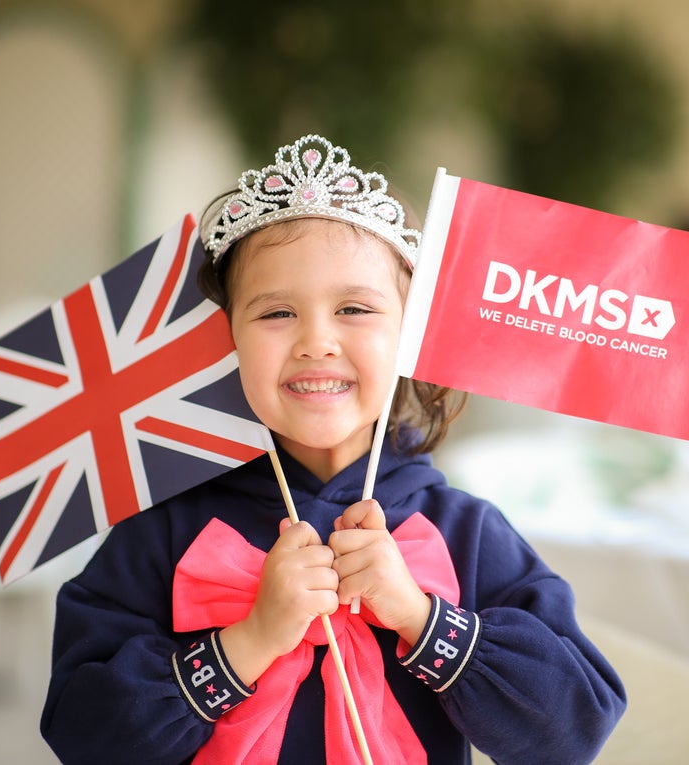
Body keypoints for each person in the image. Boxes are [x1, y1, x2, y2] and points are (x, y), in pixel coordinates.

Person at [40, 134, 626, 764]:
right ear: (226, 340)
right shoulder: (162, 529)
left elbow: (573, 727)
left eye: (354, 307)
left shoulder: (467, 532)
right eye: (275, 313)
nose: (316, 341)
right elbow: (82, 731)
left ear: (410, 335)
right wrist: (249, 641)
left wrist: (421, 618)